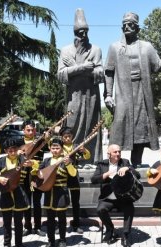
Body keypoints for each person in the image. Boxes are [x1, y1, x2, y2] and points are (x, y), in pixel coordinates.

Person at [104, 12, 161, 168]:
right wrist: (107, 94)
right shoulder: (114, 47)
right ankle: (113, 165)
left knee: (140, 128)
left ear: (137, 28)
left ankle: (137, 163)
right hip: (123, 94)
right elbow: (109, 72)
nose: (127, 26)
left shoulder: (147, 47)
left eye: (130, 24)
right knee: (119, 127)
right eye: (124, 24)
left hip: (142, 92)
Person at [57, 8, 104, 164]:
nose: (83, 35)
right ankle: (70, 160)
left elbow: (100, 72)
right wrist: (81, 67)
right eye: (79, 32)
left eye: (85, 31)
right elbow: (61, 75)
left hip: (92, 96)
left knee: (92, 127)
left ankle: (92, 161)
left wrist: (77, 68)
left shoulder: (95, 49)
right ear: (74, 33)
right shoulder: (65, 51)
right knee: (72, 125)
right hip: (73, 96)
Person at [91, 144, 141, 247]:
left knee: (130, 208)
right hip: (108, 198)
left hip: (123, 197)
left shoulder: (125, 162)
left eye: (119, 152)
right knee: (100, 209)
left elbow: (138, 175)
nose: (118, 154)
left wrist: (128, 168)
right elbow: (93, 180)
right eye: (115, 152)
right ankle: (110, 229)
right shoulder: (102, 164)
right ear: (109, 154)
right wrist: (106, 174)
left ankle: (126, 235)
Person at [0, 138, 31, 247]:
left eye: (14, 150)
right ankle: (6, 244)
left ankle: (19, 244)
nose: (13, 152)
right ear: (6, 151)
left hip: (19, 193)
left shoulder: (23, 159)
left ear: (18, 149)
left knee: (18, 222)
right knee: (7, 222)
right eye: (10, 150)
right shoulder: (1, 161)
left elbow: (36, 167)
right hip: (6, 193)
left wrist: (32, 163)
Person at [38, 138, 71, 247]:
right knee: (50, 219)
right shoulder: (46, 161)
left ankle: (62, 240)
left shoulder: (66, 160)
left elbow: (73, 173)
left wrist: (69, 164)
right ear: (49, 148)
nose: (55, 150)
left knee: (62, 218)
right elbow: (38, 172)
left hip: (61, 192)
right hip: (48, 192)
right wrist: (39, 173)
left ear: (62, 149)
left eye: (57, 148)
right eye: (53, 148)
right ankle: (50, 241)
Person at [60, 126, 91, 233]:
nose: (67, 138)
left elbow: (87, 157)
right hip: (61, 176)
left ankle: (76, 224)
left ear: (72, 136)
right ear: (62, 137)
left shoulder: (76, 147)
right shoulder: (58, 146)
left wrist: (84, 150)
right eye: (65, 136)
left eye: (69, 136)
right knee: (60, 202)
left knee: (75, 202)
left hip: (74, 176)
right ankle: (60, 225)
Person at [19, 120, 46, 237]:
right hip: (23, 176)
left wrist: (33, 163)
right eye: (28, 130)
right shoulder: (19, 142)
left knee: (37, 202)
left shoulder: (40, 142)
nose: (30, 132)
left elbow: (42, 160)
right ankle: (27, 226)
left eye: (32, 129)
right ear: (23, 130)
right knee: (27, 202)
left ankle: (38, 227)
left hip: (36, 175)